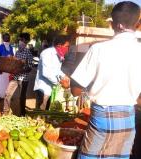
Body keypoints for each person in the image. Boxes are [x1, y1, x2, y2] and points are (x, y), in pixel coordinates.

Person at [69, 2, 141, 159]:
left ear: (113, 24)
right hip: (128, 119)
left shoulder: (98, 49)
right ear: (137, 23)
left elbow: (75, 89)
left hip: (101, 119)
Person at [33, 35, 70, 110]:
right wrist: (60, 83)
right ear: (59, 45)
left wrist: (64, 75)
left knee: (47, 111)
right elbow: (46, 73)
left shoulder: (59, 55)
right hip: (43, 88)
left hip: (51, 87)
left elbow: (57, 69)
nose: (68, 49)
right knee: (40, 112)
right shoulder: (47, 53)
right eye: (67, 46)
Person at [3, 33, 33, 116]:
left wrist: (21, 69)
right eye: (20, 40)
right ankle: (5, 113)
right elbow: (15, 64)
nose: (20, 42)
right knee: (7, 94)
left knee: (22, 97)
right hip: (15, 77)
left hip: (24, 79)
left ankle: (22, 114)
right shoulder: (17, 52)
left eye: (22, 40)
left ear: (26, 41)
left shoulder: (29, 53)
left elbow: (30, 68)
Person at [0, 33, 14, 113]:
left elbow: (12, 56)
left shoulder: (11, 47)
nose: (7, 38)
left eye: (8, 37)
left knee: (8, 82)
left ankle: (7, 95)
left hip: (8, 68)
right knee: (0, 83)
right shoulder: (0, 47)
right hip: (2, 68)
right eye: (6, 37)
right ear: (3, 38)